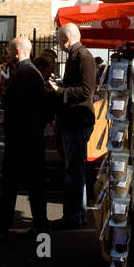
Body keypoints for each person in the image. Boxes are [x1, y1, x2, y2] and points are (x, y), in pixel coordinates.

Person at [0, 35, 50, 238]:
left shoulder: (23, 73)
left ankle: (1, 226)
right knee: (35, 183)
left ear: (17, 52)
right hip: (32, 135)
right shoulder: (34, 72)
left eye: (10, 51)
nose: (8, 56)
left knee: (10, 184)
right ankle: (40, 225)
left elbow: (14, 106)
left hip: (20, 137)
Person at [54, 23, 97, 230]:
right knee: (74, 169)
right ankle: (76, 215)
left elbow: (86, 91)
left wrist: (61, 91)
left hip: (78, 120)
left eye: (58, 38)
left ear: (67, 39)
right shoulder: (77, 56)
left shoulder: (83, 57)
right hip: (74, 119)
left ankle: (74, 216)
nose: (57, 42)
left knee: (75, 170)